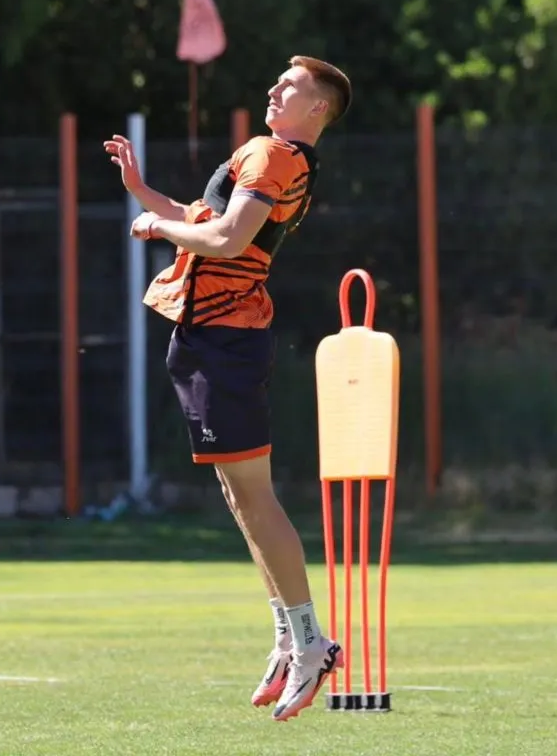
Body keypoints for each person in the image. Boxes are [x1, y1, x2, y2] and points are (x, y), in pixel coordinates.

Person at [104, 55, 351, 721]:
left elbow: (225, 235)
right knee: (240, 501)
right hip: (207, 335)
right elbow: (202, 218)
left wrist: (155, 227)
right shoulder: (266, 155)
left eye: (290, 87)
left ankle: (310, 641)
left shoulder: (274, 156)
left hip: (227, 338)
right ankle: (285, 631)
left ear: (317, 109)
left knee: (255, 498)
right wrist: (142, 192)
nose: (273, 89)